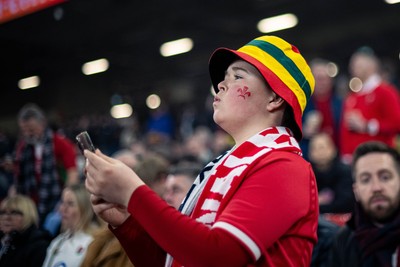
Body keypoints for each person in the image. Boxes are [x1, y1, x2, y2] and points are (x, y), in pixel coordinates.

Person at [84, 35, 319, 266]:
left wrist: (133, 192)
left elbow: (217, 256)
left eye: (237, 76)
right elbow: (178, 260)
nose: (220, 84)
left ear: (275, 99)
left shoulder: (285, 168)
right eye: (224, 77)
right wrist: (126, 222)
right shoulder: (222, 167)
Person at [330, 141, 400, 266]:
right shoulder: (344, 241)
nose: (376, 187)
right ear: (356, 191)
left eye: (385, 177)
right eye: (365, 179)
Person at [12, 103, 79, 226]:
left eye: (31, 129)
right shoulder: (22, 147)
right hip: (29, 204)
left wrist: (63, 204)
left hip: (54, 201)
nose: (28, 134)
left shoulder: (60, 143)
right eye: (24, 130)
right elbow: (17, 179)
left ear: (42, 124)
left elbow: (72, 174)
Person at [339, 47, 400, 164]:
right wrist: (346, 155)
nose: (352, 68)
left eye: (358, 64)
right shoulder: (353, 97)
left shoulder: (386, 92)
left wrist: (368, 126)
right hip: (355, 162)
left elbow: (396, 123)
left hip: (380, 158)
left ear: (371, 66)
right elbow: (345, 130)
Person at [42, 183, 100, 267]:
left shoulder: (95, 242)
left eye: (70, 204)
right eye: (62, 202)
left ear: (84, 208)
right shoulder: (57, 241)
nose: (63, 209)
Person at [301, 58, 343, 160]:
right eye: (318, 78)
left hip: (336, 159)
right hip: (308, 157)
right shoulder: (301, 104)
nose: (322, 82)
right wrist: (304, 130)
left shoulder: (341, 104)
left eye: (325, 78)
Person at [308, 132, 354, 215]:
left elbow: (345, 204)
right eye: (315, 149)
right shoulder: (306, 175)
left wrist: (315, 204)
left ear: (333, 149)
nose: (320, 152)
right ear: (310, 153)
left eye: (322, 147)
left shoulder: (345, 172)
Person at [0, 194, 52, 267]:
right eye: (3, 213)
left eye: (14, 213)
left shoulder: (39, 246)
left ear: (28, 215)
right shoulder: (7, 242)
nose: (6, 217)